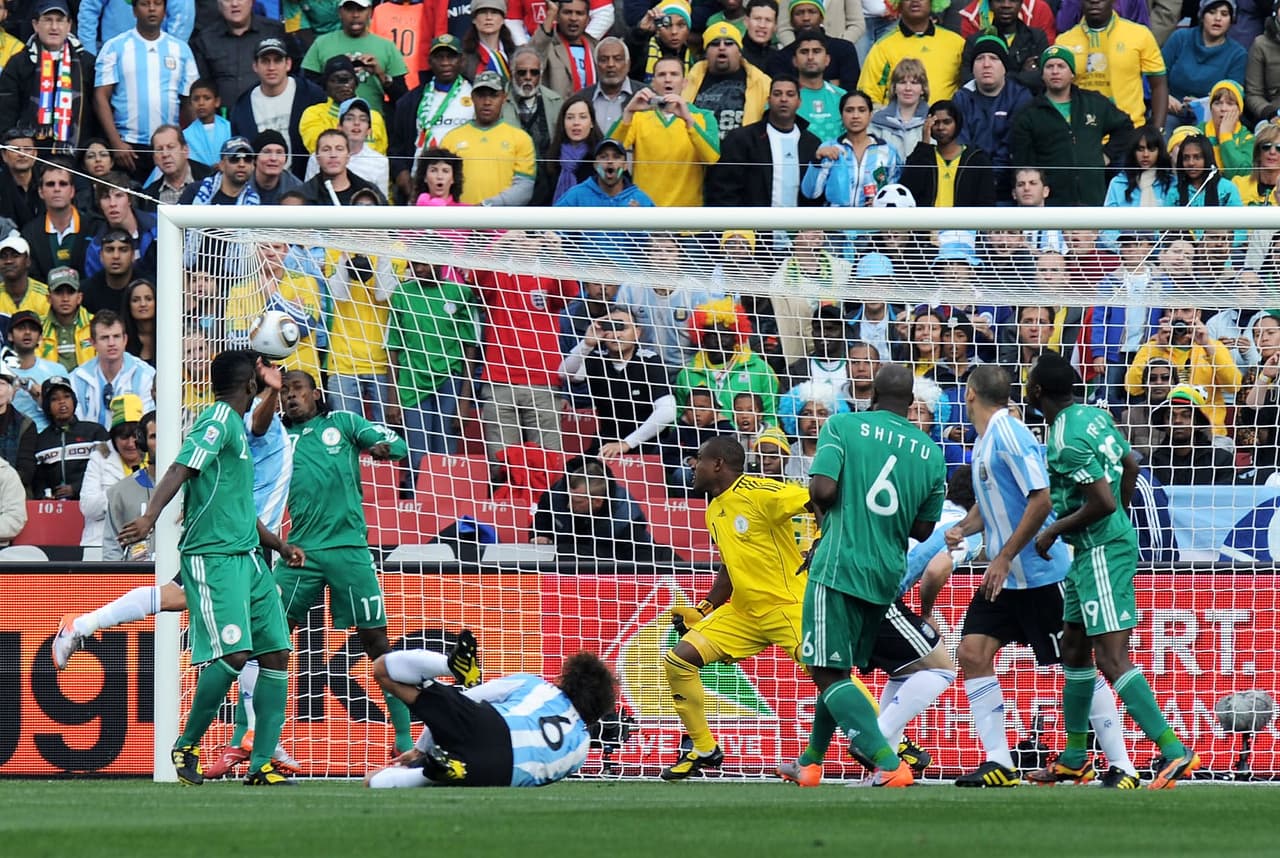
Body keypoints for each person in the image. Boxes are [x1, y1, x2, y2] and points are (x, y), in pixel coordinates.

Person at [114, 350, 303, 786]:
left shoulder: (235, 425)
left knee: (274, 651)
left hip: (249, 555)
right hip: (212, 556)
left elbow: (239, 504)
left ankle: (260, 765)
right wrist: (149, 518)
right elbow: (180, 466)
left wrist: (278, 543)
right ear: (250, 386)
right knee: (235, 653)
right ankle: (188, 743)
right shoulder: (217, 420)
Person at [945, 365, 1139, 788]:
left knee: (1077, 662)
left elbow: (1041, 498)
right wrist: (965, 527)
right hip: (1006, 577)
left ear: (970, 394)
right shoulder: (986, 440)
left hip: (1037, 573)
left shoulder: (1010, 433)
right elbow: (996, 499)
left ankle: (1121, 763)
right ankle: (998, 760)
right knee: (973, 654)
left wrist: (1005, 554)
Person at [1026, 352, 1201, 789]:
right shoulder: (1094, 416)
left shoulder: (1064, 439)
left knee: (1110, 656)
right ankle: (1074, 756)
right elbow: (1132, 465)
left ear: (1036, 392)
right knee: (1074, 645)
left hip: (1101, 549)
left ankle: (1174, 750)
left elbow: (1101, 502)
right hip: (1093, 549)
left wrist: (1053, 532)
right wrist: (1119, 511)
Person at [776, 363, 945, 788]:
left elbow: (822, 491)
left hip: (838, 564)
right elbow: (923, 529)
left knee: (826, 671)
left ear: (869, 393)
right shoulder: (930, 452)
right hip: (886, 572)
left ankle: (889, 764)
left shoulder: (843, 425)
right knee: (838, 668)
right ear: (911, 403)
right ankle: (811, 762)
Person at [267, 369, 413, 751]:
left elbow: (396, 444)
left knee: (376, 642)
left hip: (349, 550)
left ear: (316, 393)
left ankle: (402, 737)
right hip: (299, 552)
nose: (290, 398)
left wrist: (383, 447)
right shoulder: (277, 436)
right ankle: (261, 740)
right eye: (284, 393)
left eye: (297, 390)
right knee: (270, 639)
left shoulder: (342, 423)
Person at [658, 436, 815, 778]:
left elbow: (820, 497)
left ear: (717, 464)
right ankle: (704, 748)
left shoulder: (760, 492)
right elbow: (731, 566)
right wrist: (704, 608)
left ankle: (894, 744)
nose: (692, 466)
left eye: (697, 459)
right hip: (744, 612)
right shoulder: (714, 508)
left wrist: (820, 541)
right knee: (679, 660)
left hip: (788, 605)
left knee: (830, 678)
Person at [364, 646, 615, 788]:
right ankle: (440, 771)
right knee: (376, 782)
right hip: (498, 772)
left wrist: (420, 750)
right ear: (594, 714)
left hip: (486, 723)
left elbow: (471, 697)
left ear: (567, 678)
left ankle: (449, 665)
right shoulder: (581, 749)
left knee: (383, 670)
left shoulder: (536, 685)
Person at [1011, 46, 1134, 205]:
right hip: (1052, 202)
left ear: (1072, 73)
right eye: (1049, 66)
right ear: (1042, 74)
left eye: (1061, 66)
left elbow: (1125, 127)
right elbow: (1024, 163)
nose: (1055, 71)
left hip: (1093, 196)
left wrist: (1107, 155)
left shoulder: (1094, 103)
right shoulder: (1028, 114)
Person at [93, 0, 200, 181]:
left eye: (157, 3)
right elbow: (100, 98)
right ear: (134, 10)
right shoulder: (114, 47)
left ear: (165, 10)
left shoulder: (181, 50)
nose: (151, 9)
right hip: (129, 148)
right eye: (144, 3)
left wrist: (191, 146)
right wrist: (116, 143)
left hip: (169, 147)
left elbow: (189, 102)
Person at [386, 258, 479, 466]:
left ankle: (446, 499)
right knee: (418, 458)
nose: (418, 269)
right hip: (412, 383)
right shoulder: (402, 294)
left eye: (423, 264)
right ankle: (415, 498)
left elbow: (470, 348)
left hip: (448, 381)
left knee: (445, 456)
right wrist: (392, 398)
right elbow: (392, 346)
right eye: (414, 264)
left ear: (440, 263)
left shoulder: (460, 293)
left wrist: (464, 402)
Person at [559, 307, 674, 458]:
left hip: (648, 444)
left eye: (622, 328)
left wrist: (627, 443)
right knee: (574, 470)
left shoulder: (650, 361)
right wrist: (587, 344)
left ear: (637, 333)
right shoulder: (597, 359)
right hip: (606, 442)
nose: (616, 334)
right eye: (610, 328)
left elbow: (668, 411)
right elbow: (565, 373)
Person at [613, 55, 721, 206]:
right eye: (662, 75)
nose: (668, 79)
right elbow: (609, 155)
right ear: (653, 82)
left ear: (684, 83)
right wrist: (628, 113)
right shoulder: (639, 117)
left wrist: (688, 121)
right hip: (645, 216)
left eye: (674, 74)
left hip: (686, 221)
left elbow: (712, 158)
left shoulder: (704, 116)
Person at [705, 75, 823, 207]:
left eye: (790, 94)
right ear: (768, 100)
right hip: (751, 225)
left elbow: (816, 191)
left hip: (800, 225)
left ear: (799, 102)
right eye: (777, 94)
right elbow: (723, 188)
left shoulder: (812, 143)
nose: (783, 99)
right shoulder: (742, 139)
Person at [0, 0, 100, 154]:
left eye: (60, 20)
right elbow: (6, 111)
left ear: (69, 25)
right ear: (35, 24)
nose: (54, 27)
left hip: (77, 154)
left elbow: (96, 110)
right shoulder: (19, 62)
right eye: (47, 20)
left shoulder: (86, 63)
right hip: (29, 154)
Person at [1124, 306, 1241, 438]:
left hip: (1210, 432)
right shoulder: (1152, 347)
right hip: (1164, 435)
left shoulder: (1214, 347)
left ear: (1198, 314)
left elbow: (1234, 386)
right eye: (1172, 311)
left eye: (1186, 311)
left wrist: (1207, 346)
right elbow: (1132, 388)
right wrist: (1158, 348)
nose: (1178, 316)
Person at [530, 458, 670, 566]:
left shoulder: (624, 517)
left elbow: (642, 559)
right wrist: (540, 535)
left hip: (611, 566)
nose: (568, 505)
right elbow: (539, 525)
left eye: (577, 502)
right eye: (569, 497)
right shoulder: (556, 495)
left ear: (597, 501)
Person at [1054, 0, 1167, 131]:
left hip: (1130, 129)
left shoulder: (1140, 35)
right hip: (1082, 132)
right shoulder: (1064, 41)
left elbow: (1158, 84)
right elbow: (1058, 91)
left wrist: (1158, 130)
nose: (1094, 1)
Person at [389, 34, 474, 204]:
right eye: (439, 57)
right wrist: (402, 176)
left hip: (464, 183)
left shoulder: (475, 94)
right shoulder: (411, 100)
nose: (445, 63)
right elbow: (396, 148)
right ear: (430, 61)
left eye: (451, 57)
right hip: (420, 186)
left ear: (461, 60)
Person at [229, 37, 326, 180]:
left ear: (288, 64)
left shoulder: (311, 95)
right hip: (259, 185)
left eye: (277, 60)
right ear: (255, 66)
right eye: (265, 61)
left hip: (306, 181)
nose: (271, 67)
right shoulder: (243, 105)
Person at [953, 34, 1032, 203]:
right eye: (980, 59)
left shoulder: (1020, 96)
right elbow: (961, 143)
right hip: (970, 184)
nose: (986, 64)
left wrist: (992, 178)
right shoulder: (961, 98)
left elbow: (1012, 142)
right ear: (973, 67)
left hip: (1008, 186)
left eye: (994, 58)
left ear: (1004, 67)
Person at [440, 70, 536, 205]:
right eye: (481, 95)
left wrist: (487, 206)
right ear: (472, 97)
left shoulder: (521, 139)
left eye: (493, 95)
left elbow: (524, 187)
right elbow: (440, 183)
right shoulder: (451, 138)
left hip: (503, 222)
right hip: (460, 222)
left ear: (504, 97)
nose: (487, 102)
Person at [302, 0, 408, 111]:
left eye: (361, 9)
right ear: (340, 12)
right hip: (329, 121)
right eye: (349, 9)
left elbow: (402, 98)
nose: (355, 15)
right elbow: (307, 90)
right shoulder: (321, 43)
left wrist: (380, 74)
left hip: (373, 122)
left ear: (370, 12)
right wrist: (336, 69)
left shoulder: (387, 46)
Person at [801, 89, 901, 207]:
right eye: (849, 110)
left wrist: (880, 203)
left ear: (870, 115)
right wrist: (817, 161)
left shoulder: (888, 151)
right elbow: (810, 193)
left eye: (862, 110)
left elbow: (895, 195)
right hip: (835, 223)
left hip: (873, 223)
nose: (855, 116)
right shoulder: (828, 148)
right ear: (841, 115)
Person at [858, 0, 964, 103]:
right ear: (898, 3)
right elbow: (868, 96)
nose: (915, 1)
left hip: (944, 119)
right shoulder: (882, 47)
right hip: (896, 120)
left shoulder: (956, 43)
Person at [1162, 0, 1247, 128]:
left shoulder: (1238, 54)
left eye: (1224, 14)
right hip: (1171, 110)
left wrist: (1204, 105)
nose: (1218, 18)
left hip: (1211, 117)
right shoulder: (1180, 38)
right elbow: (1156, 74)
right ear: (1202, 16)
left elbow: (1233, 96)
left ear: (1231, 20)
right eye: (1212, 13)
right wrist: (1164, 96)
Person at [79, 393, 144, 556]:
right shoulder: (99, 456)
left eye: (135, 437)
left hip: (145, 546)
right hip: (99, 544)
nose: (130, 444)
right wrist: (124, 492)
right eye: (123, 437)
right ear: (114, 437)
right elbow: (88, 507)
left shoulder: (155, 457)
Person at [683, 21, 771, 139]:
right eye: (715, 43)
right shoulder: (687, 81)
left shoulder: (763, 83)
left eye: (729, 43)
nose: (722, 47)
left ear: (740, 52)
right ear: (706, 53)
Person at [192, 0, 287, 110]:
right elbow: (203, 85)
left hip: (271, 113)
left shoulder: (274, 32)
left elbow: (293, 73)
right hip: (224, 119)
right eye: (228, 0)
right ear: (218, 3)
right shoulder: (205, 39)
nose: (235, 4)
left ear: (252, 2)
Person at [69, 310, 156, 428]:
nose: (111, 343)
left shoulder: (146, 375)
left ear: (125, 339)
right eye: (104, 338)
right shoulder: (77, 378)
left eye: (116, 336)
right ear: (92, 343)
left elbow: (147, 423)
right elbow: (76, 424)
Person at [900, 99, 996, 206]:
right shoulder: (923, 155)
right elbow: (908, 191)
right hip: (927, 222)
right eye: (935, 123)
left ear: (957, 123)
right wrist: (924, 143)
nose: (941, 128)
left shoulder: (977, 159)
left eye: (947, 122)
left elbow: (986, 202)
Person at [31, 374, 106, 500]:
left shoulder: (95, 432)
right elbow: (38, 479)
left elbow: (107, 467)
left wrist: (76, 488)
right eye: (54, 399)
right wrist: (44, 495)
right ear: (47, 405)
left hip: (91, 504)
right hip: (55, 510)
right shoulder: (41, 439)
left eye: (66, 396)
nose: (62, 402)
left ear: (74, 400)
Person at [1147, 383, 1237, 485]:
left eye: (1186, 415)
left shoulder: (1221, 461)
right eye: (1170, 416)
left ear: (1197, 423)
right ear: (1163, 423)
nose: (1177, 421)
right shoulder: (1151, 464)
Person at [20, 157, 94, 281]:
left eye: (63, 184)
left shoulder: (94, 226)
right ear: (41, 192)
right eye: (50, 184)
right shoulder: (30, 233)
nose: (57, 189)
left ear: (72, 191)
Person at [959, 0, 1050, 94]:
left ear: (1021, 3)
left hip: (1028, 105)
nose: (1006, 5)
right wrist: (1023, 75)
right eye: (999, 0)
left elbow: (1043, 79)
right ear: (989, 4)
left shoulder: (1037, 37)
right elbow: (967, 82)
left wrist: (991, 77)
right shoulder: (975, 41)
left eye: (1012, 0)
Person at [100, 409, 156, 560]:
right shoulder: (120, 492)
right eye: (154, 437)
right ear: (143, 443)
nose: (161, 442)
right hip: (137, 577)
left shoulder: (194, 486)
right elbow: (112, 547)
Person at [304, 96, 390, 193]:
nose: (356, 123)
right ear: (339, 127)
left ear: (369, 130)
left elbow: (381, 203)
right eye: (349, 118)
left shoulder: (380, 162)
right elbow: (307, 196)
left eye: (363, 119)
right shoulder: (317, 157)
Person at [768, 0, 860, 89]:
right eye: (799, 13)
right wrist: (831, 83)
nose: (806, 18)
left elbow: (850, 89)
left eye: (812, 12)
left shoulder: (844, 50)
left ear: (821, 17)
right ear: (791, 20)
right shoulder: (781, 58)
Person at [533, 91, 602, 205]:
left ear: (592, 123)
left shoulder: (600, 157)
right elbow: (539, 200)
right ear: (563, 123)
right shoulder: (551, 158)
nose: (576, 123)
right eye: (570, 118)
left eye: (583, 117)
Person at [554, 137, 655, 206]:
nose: (610, 161)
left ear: (625, 165)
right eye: (603, 157)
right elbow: (552, 228)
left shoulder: (640, 199)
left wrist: (642, 222)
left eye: (616, 157)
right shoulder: (577, 195)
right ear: (595, 165)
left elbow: (660, 235)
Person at [502, 46, 565, 157]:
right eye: (522, 72)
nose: (528, 77)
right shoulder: (498, 101)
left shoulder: (556, 102)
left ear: (540, 75)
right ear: (512, 73)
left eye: (534, 73)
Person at [530, 0, 599, 99]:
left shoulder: (596, 48)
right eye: (567, 12)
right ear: (557, 17)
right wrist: (550, 14)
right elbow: (532, 57)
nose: (573, 18)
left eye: (579, 13)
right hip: (558, 111)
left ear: (587, 19)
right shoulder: (547, 46)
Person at [867, 57, 927, 162]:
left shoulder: (932, 121)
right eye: (902, 82)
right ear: (894, 88)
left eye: (914, 83)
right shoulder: (876, 121)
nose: (908, 88)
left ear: (923, 89)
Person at [792, 30, 845, 144]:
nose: (810, 57)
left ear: (827, 59)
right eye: (804, 52)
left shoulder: (843, 97)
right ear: (795, 61)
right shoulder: (783, 97)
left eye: (816, 51)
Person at [626, 0, 698, 83]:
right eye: (667, 25)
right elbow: (630, 54)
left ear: (688, 29)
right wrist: (641, 32)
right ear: (658, 28)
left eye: (681, 25)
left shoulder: (694, 62)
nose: (674, 31)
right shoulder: (643, 52)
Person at [581, 36, 642, 133]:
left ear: (628, 64)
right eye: (604, 60)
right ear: (596, 65)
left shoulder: (645, 97)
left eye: (617, 59)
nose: (610, 64)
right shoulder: (582, 99)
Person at [1104, 126, 1175, 208]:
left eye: (1151, 149)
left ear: (1159, 152)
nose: (1146, 155)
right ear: (1133, 151)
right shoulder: (1118, 183)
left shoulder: (1171, 183)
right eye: (1140, 149)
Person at [142, 125, 212, 206]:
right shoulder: (148, 196)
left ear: (185, 151)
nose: (165, 154)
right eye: (159, 149)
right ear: (154, 158)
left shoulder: (210, 179)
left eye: (170, 147)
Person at [1166, 131, 1242, 206]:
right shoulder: (1174, 193)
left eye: (1197, 157)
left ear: (1207, 158)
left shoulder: (1227, 189)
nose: (1191, 163)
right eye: (1186, 158)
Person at [1198, 80, 1254, 179]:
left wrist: (1225, 136)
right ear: (1211, 108)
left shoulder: (1248, 139)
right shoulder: (1198, 132)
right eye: (1217, 103)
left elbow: (1240, 174)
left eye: (1230, 103)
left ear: (1239, 110)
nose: (1223, 108)